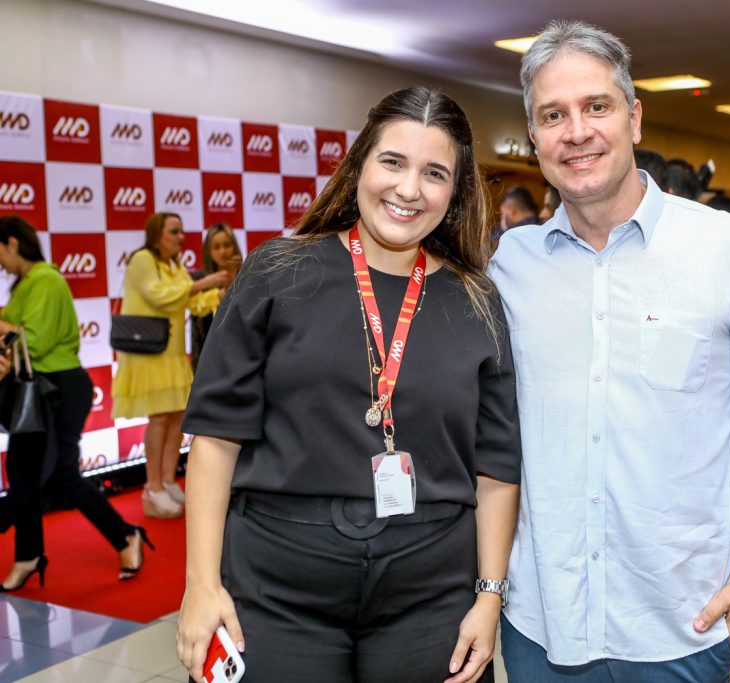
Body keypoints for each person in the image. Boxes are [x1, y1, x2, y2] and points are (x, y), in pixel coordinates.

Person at [490, 21, 730, 681]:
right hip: (540, 624)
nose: (577, 130)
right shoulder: (512, 263)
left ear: (635, 118)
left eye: (597, 106)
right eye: (552, 115)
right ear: (534, 138)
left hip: (681, 627)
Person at [175, 86, 521, 683]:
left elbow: (495, 466)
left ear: (456, 194)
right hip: (278, 583)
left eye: (434, 173)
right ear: (360, 164)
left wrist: (489, 596)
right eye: (392, 162)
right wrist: (200, 585)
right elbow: (216, 437)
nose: (409, 189)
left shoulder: (477, 301)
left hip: (429, 589)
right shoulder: (277, 272)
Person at [0, 216, 151, 587]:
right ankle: (28, 554)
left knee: (60, 474)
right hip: (36, 391)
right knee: (22, 473)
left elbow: (32, 342)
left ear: (13, 244)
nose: (0, 262)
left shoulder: (46, 280)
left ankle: (125, 535)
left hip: (59, 390)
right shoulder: (26, 285)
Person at [111, 212, 229, 519]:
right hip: (149, 355)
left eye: (181, 232)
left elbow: (189, 303)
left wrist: (217, 295)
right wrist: (207, 281)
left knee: (177, 418)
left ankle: (166, 479)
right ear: (156, 234)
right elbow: (160, 297)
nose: (180, 237)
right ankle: (152, 486)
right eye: (174, 231)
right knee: (160, 419)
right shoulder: (142, 260)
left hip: (173, 354)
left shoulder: (174, 264)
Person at [190, 223, 241, 372]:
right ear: (208, 251)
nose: (223, 251)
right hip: (207, 355)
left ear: (235, 247)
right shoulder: (199, 279)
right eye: (216, 247)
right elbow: (197, 324)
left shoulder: (246, 275)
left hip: (239, 353)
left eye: (227, 245)